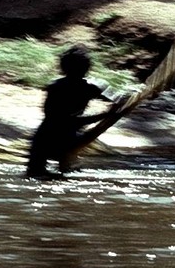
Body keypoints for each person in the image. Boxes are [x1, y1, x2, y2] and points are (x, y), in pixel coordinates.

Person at [26, 45, 124, 179]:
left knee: (36, 175)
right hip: (64, 137)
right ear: (88, 67)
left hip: (45, 138)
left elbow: (55, 118)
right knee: (67, 176)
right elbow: (64, 121)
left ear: (62, 67)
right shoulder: (91, 87)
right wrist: (106, 115)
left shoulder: (56, 87)